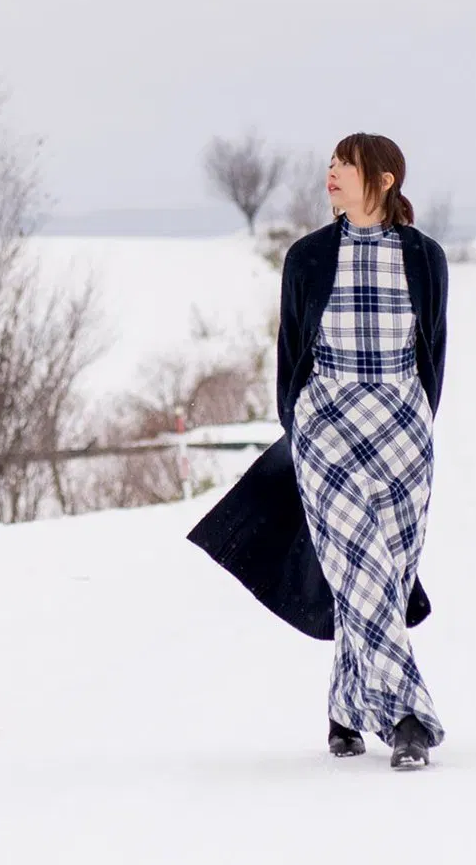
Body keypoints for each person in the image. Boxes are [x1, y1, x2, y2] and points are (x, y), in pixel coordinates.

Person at [187, 131, 449, 770]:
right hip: (326, 426)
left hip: (403, 432)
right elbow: (291, 353)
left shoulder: (425, 257)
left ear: (383, 180)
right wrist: (301, 424)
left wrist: (416, 419)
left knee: (385, 570)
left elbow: (432, 351)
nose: (331, 173)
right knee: (357, 565)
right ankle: (409, 717)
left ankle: (345, 706)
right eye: (330, 164)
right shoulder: (306, 257)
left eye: (346, 164)